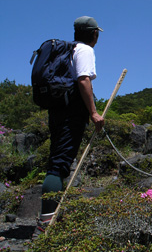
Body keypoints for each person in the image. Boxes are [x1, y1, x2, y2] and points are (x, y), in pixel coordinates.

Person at [33, 16, 105, 238]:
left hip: (57, 111)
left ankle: (51, 216)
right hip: (71, 113)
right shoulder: (84, 51)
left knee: (57, 159)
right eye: (97, 33)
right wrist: (93, 112)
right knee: (59, 164)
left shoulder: (69, 50)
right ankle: (45, 225)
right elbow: (84, 80)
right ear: (94, 34)